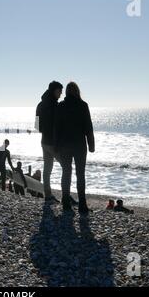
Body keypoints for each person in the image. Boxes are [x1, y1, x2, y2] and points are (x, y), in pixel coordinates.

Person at [54, 82, 95, 214]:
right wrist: (91, 145)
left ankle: (66, 203)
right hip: (79, 145)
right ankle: (82, 205)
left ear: (66, 92)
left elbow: (56, 128)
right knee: (80, 174)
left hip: (64, 145)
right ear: (77, 92)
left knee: (66, 173)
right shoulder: (83, 106)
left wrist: (55, 146)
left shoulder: (61, 106)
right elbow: (88, 127)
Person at [36, 81, 63, 203]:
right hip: (54, 142)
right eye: (59, 91)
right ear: (53, 91)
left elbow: (37, 126)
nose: (61, 94)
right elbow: (60, 126)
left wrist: (45, 130)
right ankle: (66, 195)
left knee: (47, 169)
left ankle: (48, 195)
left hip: (44, 141)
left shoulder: (40, 105)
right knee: (66, 167)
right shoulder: (56, 106)